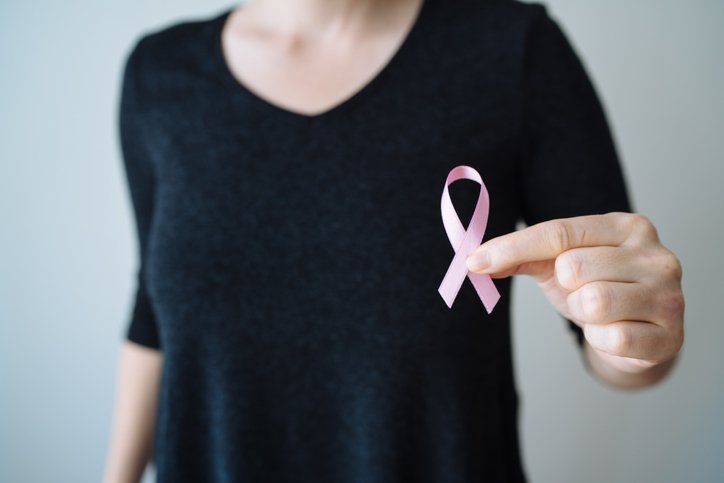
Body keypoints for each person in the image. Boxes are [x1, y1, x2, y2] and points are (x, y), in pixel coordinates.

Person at [102, 0, 685, 481]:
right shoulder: (158, 75)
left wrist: (636, 338)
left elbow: (617, 329)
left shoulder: (514, 49)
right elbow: (153, 310)